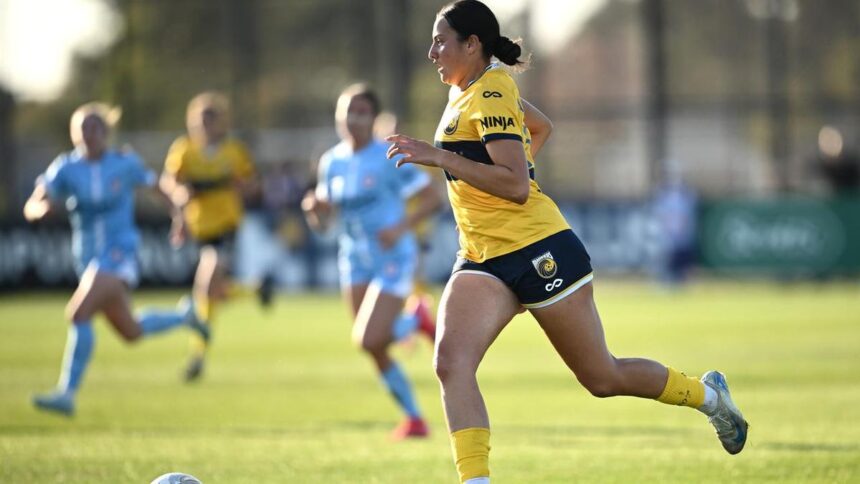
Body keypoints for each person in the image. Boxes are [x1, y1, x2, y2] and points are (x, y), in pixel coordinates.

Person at [384, 1, 749, 481]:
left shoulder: (490, 92)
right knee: (451, 363)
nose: (432, 52)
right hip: (481, 257)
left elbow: (516, 187)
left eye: (440, 41)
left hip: (539, 249)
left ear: (472, 44)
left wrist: (443, 159)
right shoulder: (468, 91)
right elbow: (540, 128)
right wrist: (485, 192)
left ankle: (709, 396)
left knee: (602, 377)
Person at [24, 102, 208, 416]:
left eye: (94, 127)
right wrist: (39, 210)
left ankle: (67, 393)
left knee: (78, 313)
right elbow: (33, 203)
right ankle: (184, 317)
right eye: (82, 128)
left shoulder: (123, 163)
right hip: (88, 259)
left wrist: (179, 217)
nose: (88, 133)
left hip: (120, 252)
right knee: (131, 331)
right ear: (73, 133)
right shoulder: (65, 168)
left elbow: (158, 188)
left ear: (106, 132)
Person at [302, 84, 442, 439]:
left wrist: (400, 228)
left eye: (361, 112)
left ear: (373, 117)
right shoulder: (331, 161)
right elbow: (325, 223)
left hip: (392, 255)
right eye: (347, 111)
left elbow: (432, 198)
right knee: (373, 345)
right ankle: (414, 419)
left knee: (368, 338)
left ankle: (415, 320)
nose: (353, 119)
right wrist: (314, 211)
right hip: (354, 258)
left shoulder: (387, 156)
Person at [159, 91, 265, 382]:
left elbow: (253, 185)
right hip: (199, 228)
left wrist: (243, 186)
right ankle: (254, 291)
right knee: (214, 293)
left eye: (210, 118)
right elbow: (169, 183)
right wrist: (179, 202)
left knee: (205, 285)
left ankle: (197, 356)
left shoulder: (233, 151)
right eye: (199, 119)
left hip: (226, 226)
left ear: (221, 122)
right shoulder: (184, 150)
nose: (204, 124)